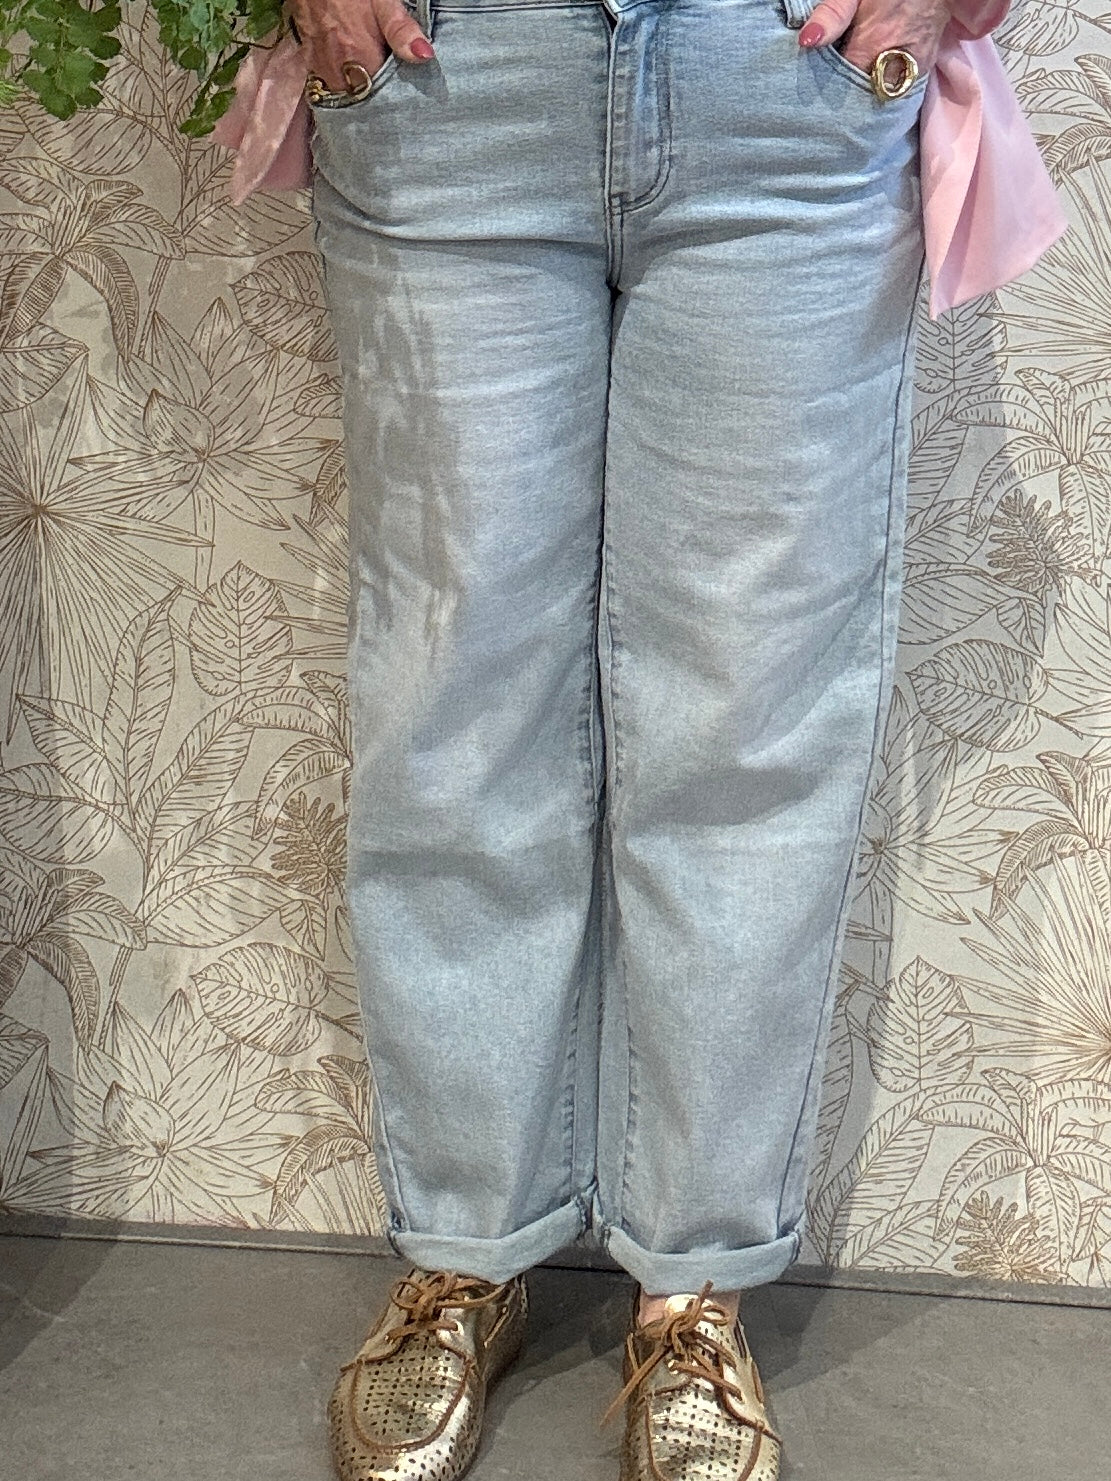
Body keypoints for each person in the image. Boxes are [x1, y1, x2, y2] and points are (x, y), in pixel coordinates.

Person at [249, 0, 1066, 1477]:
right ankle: (465, 1248)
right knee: (453, 702)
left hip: (786, 79)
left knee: (749, 717)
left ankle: (695, 1287)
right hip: (455, 78)